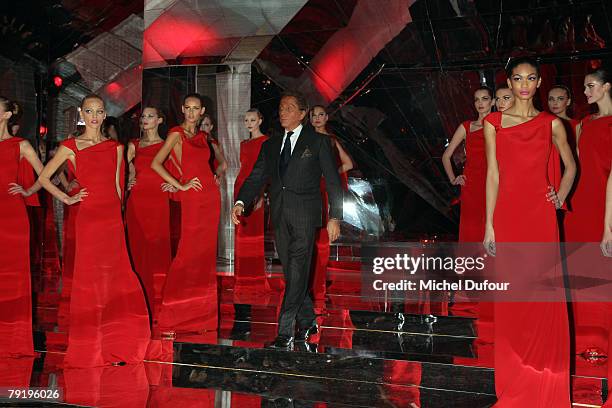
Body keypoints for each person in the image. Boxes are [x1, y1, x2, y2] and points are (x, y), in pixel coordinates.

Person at [482, 57, 575, 406]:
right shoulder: (494, 122)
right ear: (510, 81)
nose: (523, 84)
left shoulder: (551, 124)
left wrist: (559, 196)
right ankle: (515, 377)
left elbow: (571, 166)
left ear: (538, 83)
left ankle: (544, 381)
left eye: (530, 78)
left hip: (539, 219)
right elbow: (493, 175)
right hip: (507, 217)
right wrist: (489, 224)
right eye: (517, 78)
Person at [37, 94, 150, 367]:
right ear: (82, 113)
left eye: (99, 112)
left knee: (117, 275)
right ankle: (92, 341)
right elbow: (43, 177)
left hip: (111, 219)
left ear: (104, 114)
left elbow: (117, 187)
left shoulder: (116, 147)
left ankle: (117, 338)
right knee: (91, 278)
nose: (95, 116)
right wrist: (68, 198)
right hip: (88, 219)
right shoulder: (70, 146)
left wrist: (119, 214)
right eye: (89, 111)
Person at [231, 91, 343, 349]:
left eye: (290, 108)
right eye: (281, 108)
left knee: (298, 268)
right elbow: (256, 177)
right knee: (294, 273)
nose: (283, 112)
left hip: (305, 215)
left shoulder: (318, 142)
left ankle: (285, 332)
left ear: (302, 114)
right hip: (280, 215)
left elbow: (334, 183)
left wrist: (335, 216)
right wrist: (240, 203)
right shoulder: (270, 144)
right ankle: (308, 320)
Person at [151, 93, 221, 336]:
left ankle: (201, 315)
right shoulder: (176, 134)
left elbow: (208, 165)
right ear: (182, 109)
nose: (191, 112)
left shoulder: (203, 137)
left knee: (204, 255)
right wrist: (180, 185)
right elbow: (156, 163)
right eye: (188, 108)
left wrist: (213, 176)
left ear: (202, 111)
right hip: (192, 198)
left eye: (196, 109)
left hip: (211, 197)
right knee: (187, 253)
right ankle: (174, 312)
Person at [562, 68, 612, 404]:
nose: (585, 92)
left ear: (608, 86)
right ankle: (581, 346)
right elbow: (574, 166)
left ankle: (603, 347)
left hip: (603, 208)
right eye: (583, 87)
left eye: (590, 86)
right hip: (577, 208)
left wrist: (608, 226)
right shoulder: (584, 124)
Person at [0, 96, 44, 357]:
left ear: (7, 116)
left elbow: (45, 173)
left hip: (12, 218)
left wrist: (28, 189)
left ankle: (11, 337)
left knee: (12, 276)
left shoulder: (21, 145)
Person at [126, 106, 172, 330]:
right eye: (143, 116)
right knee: (137, 250)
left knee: (158, 251)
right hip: (138, 201)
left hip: (159, 201)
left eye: (150, 116)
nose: (145, 119)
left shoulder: (167, 144)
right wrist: (128, 180)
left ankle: (160, 302)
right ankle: (138, 300)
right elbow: (122, 169)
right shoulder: (133, 145)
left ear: (160, 120)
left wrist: (174, 183)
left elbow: (180, 168)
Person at [309, 104, 353, 305]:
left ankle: (318, 288)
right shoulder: (306, 139)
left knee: (322, 240)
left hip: (324, 191)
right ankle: (310, 286)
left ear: (326, 118)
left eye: (320, 115)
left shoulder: (331, 140)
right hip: (308, 191)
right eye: (313, 115)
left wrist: (330, 173)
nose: (317, 118)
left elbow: (348, 163)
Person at [442, 86, 495, 242]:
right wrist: (453, 179)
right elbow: (446, 156)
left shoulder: (501, 126)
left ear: (492, 102)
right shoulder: (467, 126)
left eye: (484, 99)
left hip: (494, 182)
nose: (480, 103)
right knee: (472, 230)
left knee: (494, 227)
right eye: (476, 99)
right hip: (471, 184)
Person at [233, 108, 270, 300]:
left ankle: (254, 278)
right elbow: (243, 167)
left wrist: (261, 194)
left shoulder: (266, 142)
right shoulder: (243, 144)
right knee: (240, 235)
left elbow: (264, 172)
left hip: (255, 190)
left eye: (252, 119)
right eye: (246, 120)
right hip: (240, 187)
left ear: (260, 121)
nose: (248, 123)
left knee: (254, 234)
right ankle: (242, 278)